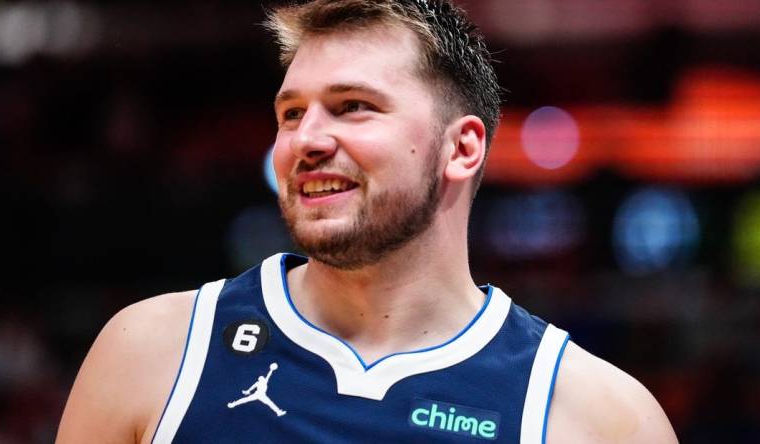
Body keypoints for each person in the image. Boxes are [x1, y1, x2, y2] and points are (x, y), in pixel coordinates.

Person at [57, 1, 679, 443]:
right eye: (292, 112)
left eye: (353, 107)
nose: (307, 139)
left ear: (460, 148)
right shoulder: (151, 353)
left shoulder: (599, 419)